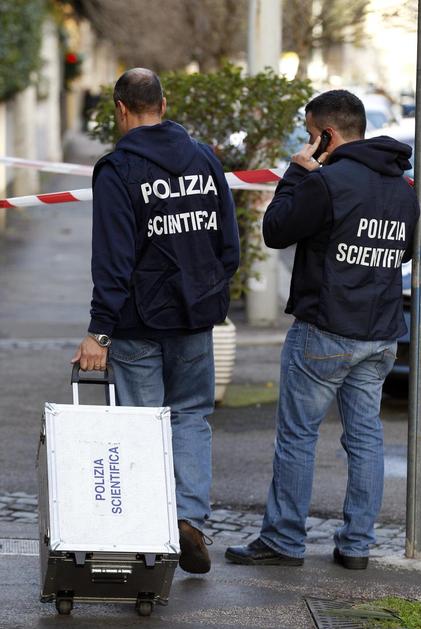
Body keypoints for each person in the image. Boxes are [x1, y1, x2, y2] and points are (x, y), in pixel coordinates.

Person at [225, 89, 419, 570]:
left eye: (312, 134)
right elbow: (404, 252)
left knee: (298, 437)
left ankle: (283, 540)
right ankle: (357, 546)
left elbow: (275, 230)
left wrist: (297, 172)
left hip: (325, 330)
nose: (310, 142)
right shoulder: (404, 188)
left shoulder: (325, 182)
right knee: (366, 439)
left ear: (327, 135)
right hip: (380, 334)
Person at [72, 68, 240, 574]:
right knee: (190, 417)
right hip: (194, 317)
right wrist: (209, 290)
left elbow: (113, 257)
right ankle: (188, 518)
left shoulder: (117, 169)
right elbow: (228, 243)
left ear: (120, 109)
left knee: (143, 428)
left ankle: (149, 538)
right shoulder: (204, 158)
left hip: (138, 323)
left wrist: (99, 330)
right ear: (163, 106)